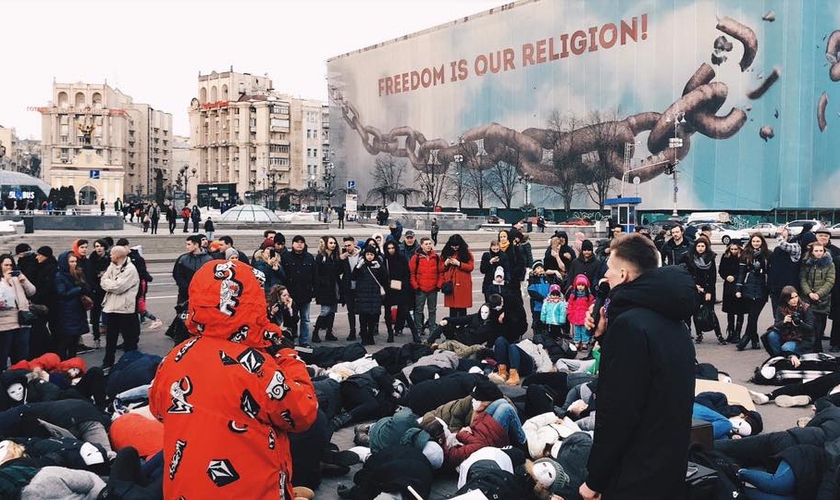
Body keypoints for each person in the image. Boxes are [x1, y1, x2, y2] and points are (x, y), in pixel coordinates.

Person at [149, 259, 318, 499]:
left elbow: (157, 409)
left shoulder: (175, 356)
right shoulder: (255, 364)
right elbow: (303, 412)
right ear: (251, 303)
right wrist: (286, 354)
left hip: (185, 490)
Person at [579, 234, 696, 500]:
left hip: (635, 473)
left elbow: (617, 411)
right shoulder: (672, 320)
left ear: (624, 275)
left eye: (608, 268)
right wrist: (603, 335)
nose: (604, 275)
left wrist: (595, 479)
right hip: (667, 465)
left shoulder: (630, 326)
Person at [99, 245, 141, 368]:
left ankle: (129, 364)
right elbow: (103, 280)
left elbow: (118, 287)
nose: (109, 256)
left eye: (111, 254)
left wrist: (108, 283)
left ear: (117, 256)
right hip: (112, 307)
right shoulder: (112, 265)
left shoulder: (130, 269)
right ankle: (108, 362)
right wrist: (108, 282)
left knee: (129, 340)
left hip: (125, 309)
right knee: (110, 339)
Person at [681, 235, 726, 344]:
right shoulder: (690, 258)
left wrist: (708, 291)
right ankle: (699, 334)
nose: (700, 248)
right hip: (695, 289)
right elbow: (687, 274)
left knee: (711, 313)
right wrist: (695, 286)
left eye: (703, 246)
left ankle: (719, 335)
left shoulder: (710, 258)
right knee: (696, 314)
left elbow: (713, 276)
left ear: (706, 247)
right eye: (698, 246)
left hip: (708, 290)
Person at [736, 233, 771, 351]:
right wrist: (738, 289)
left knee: (753, 315)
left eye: (758, 241)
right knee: (752, 316)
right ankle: (754, 340)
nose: (756, 243)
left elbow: (770, 272)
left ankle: (746, 339)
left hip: (762, 288)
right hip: (749, 288)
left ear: (762, 242)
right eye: (754, 241)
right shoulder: (745, 254)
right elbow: (741, 273)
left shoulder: (767, 254)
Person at [0, 255, 35, 368]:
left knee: (21, 355)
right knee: (3, 354)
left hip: (23, 320)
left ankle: (20, 377)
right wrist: (5, 280)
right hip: (5, 323)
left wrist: (23, 280)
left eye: (11, 265)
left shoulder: (17, 277)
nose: (9, 267)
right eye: (6, 265)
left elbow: (32, 292)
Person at [53, 251, 90, 361]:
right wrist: (78, 289)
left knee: (74, 340)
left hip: (77, 310)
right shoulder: (60, 276)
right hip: (67, 311)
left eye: (75, 261)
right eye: (71, 262)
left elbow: (86, 288)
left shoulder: (77, 273)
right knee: (67, 340)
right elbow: (62, 294)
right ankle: (62, 363)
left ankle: (72, 362)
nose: (74, 264)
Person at [281, 235, 316, 347]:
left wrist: (314, 291)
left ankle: (304, 342)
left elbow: (314, 275)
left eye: (301, 242)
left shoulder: (310, 257)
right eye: (297, 242)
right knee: (292, 319)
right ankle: (293, 341)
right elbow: (283, 276)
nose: (299, 244)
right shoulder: (286, 257)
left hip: (306, 294)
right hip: (291, 294)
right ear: (292, 244)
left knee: (305, 319)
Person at [382, 240, 420, 343]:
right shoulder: (384, 259)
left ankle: (414, 333)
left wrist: (403, 284)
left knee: (405, 311)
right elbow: (382, 275)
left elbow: (407, 273)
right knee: (387, 313)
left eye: (392, 248)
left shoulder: (401, 258)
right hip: (389, 289)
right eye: (388, 248)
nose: (391, 250)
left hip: (401, 288)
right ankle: (390, 334)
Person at [800, 241, 835, 352]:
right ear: (812, 252)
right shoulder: (806, 263)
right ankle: (810, 346)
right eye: (816, 251)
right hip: (808, 298)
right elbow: (802, 279)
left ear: (824, 251)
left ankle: (818, 346)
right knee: (810, 323)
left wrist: (818, 294)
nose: (819, 253)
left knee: (820, 324)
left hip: (822, 299)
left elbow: (830, 281)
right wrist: (809, 293)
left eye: (821, 250)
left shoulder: (830, 264)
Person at [763, 285, 815, 357]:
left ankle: (787, 357)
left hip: (801, 339)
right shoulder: (781, 308)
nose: (794, 300)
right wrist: (784, 322)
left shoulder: (805, 308)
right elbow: (776, 324)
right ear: (785, 299)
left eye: (796, 297)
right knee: (771, 335)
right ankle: (780, 357)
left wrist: (800, 323)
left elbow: (811, 328)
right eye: (791, 298)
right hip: (786, 336)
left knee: (786, 348)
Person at [352, 245, 388, 346]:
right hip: (363, 294)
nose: (369, 256)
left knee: (372, 317)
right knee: (363, 318)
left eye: (371, 254)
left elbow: (384, 278)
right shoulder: (361, 264)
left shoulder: (378, 264)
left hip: (374, 295)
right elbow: (353, 276)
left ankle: (370, 336)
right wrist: (358, 266)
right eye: (367, 254)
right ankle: (364, 336)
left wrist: (380, 268)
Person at [410, 237, 443, 336]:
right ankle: (418, 330)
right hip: (421, 288)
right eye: (426, 244)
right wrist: (415, 286)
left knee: (432, 310)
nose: (428, 246)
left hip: (433, 288)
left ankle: (432, 330)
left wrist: (438, 285)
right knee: (419, 311)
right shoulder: (416, 258)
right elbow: (411, 274)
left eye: (429, 244)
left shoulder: (436, 257)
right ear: (421, 245)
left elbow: (441, 272)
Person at [313, 236, 342, 343]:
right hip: (325, 288)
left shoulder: (335, 256)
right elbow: (317, 273)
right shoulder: (321, 257)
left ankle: (329, 332)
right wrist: (322, 283)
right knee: (325, 311)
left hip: (334, 287)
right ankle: (315, 333)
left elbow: (338, 271)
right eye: (331, 243)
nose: (333, 245)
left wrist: (340, 260)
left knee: (332, 311)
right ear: (326, 244)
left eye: (334, 243)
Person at [440, 234, 474, 318]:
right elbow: (440, 269)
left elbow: (471, 267)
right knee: (452, 309)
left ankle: (462, 329)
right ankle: (453, 328)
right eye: (453, 246)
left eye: (457, 246)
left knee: (462, 308)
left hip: (462, 283)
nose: (455, 248)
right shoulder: (446, 252)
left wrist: (459, 264)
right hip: (451, 283)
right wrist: (446, 263)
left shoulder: (466, 252)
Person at [719, 242, 747, 343]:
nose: (734, 251)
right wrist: (726, 276)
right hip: (728, 285)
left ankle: (738, 333)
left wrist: (735, 277)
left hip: (739, 285)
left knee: (740, 311)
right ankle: (730, 332)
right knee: (729, 310)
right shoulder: (725, 257)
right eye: (732, 249)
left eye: (736, 249)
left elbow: (744, 270)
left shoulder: (743, 257)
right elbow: (721, 270)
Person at [172, 235, 212, 304]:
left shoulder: (208, 260)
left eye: (189, 244)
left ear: (196, 245)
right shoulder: (183, 259)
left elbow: (210, 278)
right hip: (184, 295)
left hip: (201, 295)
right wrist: (186, 288)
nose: (187, 247)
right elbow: (177, 275)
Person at [340, 236, 361, 341]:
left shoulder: (361, 255)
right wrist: (340, 259)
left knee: (362, 310)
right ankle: (352, 331)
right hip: (348, 287)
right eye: (345, 246)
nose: (347, 248)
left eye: (349, 245)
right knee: (350, 310)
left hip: (360, 287)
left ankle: (363, 330)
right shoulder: (344, 257)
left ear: (354, 244)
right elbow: (337, 271)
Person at [566, 275, 593, 350]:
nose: (580, 287)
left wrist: (590, 314)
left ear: (586, 286)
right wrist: (569, 313)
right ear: (576, 285)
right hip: (576, 316)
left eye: (582, 285)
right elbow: (570, 305)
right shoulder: (573, 295)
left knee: (585, 330)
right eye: (579, 285)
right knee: (577, 330)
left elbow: (591, 306)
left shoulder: (589, 296)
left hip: (585, 317)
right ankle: (577, 341)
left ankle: (585, 342)